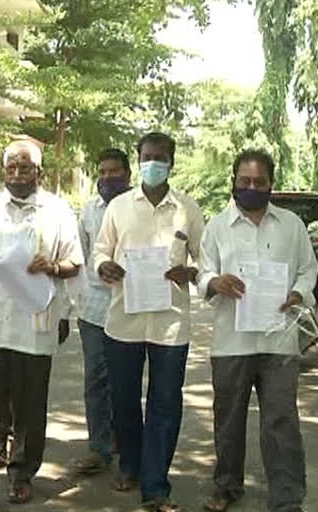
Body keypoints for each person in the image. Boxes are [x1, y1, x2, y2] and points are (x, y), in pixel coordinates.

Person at [0, 140, 83, 511]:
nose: (16, 173)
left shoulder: (58, 211)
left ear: (38, 172)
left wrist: (54, 268)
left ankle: (22, 475)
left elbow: (75, 263)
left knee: (29, 407)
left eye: (25, 167)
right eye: (11, 166)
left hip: (35, 322)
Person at [197, 150, 318, 512]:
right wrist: (215, 282)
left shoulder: (292, 226)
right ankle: (226, 486)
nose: (251, 187)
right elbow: (203, 273)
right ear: (233, 183)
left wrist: (300, 292)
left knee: (281, 420)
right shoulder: (217, 226)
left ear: (271, 185)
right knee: (228, 419)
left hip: (279, 340)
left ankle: (287, 497)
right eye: (244, 181)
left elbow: (308, 270)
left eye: (259, 182)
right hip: (231, 341)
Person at [93, 132, 204, 512]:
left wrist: (189, 272)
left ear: (172, 162)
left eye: (160, 157)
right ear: (138, 161)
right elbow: (101, 250)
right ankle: (131, 465)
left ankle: (156, 485)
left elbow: (204, 260)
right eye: (147, 156)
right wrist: (102, 266)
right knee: (124, 400)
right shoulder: (119, 207)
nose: (153, 163)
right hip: (123, 319)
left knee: (165, 403)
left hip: (170, 323)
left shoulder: (187, 209)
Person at [69, 148, 131, 476]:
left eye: (115, 172)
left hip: (131, 306)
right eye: (103, 172)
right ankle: (99, 447)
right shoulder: (89, 211)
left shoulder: (138, 209)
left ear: (128, 175)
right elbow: (80, 256)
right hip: (93, 308)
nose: (108, 178)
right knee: (95, 379)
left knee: (126, 380)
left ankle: (127, 443)